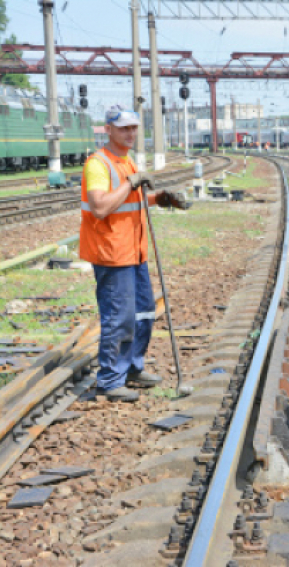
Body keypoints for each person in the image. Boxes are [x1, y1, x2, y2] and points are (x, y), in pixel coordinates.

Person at [80, 105, 189, 403]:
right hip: (112, 254)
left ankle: (131, 369)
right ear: (109, 129)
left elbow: (130, 200)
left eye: (134, 128)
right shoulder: (98, 164)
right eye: (124, 128)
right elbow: (102, 207)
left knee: (143, 314)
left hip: (134, 252)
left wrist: (160, 199)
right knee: (120, 317)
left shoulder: (126, 162)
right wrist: (132, 182)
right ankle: (110, 380)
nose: (130, 133)